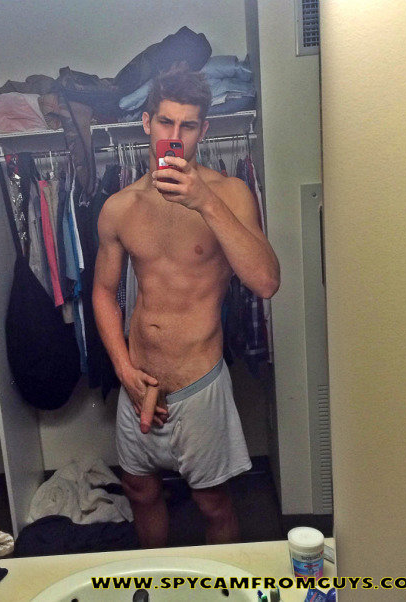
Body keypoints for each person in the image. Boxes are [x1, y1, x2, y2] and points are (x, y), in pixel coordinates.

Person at [92, 65, 280, 548]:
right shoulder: (120, 207)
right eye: (165, 122)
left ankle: (223, 583)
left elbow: (265, 282)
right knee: (140, 492)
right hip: (138, 382)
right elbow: (103, 292)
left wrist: (205, 202)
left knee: (212, 502)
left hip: (199, 384)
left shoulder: (230, 193)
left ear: (204, 130)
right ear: (146, 123)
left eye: (188, 125)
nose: (174, 136)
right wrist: (123, 370)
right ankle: (155, 582)